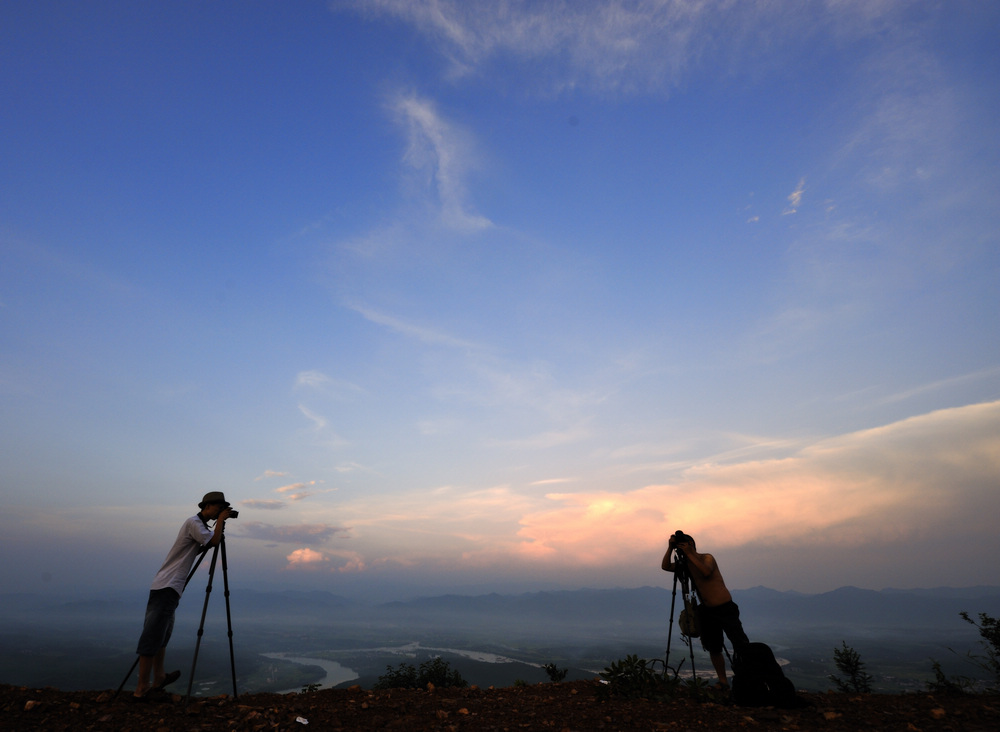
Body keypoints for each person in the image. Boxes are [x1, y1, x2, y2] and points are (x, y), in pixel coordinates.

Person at [132, 491, 233, 700]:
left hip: (170, 588)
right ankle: (142, 688)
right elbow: (213, 543)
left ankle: (158, 677)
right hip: (167, 587)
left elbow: (207, 543)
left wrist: (219, 524)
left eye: (222, 509)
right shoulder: (194, 523)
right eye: (218, 508)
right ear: (207, 506)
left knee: (162, 635)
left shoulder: (199, 526)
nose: (219, 512)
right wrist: (222, 522)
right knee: (153, 636)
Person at [661, 532, 749, 689]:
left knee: (739, 644)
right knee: (714, 647)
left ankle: (750, 678)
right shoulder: (686, 565)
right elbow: (666, 566)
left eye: (684, 545)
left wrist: (690, 553)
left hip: (725, 607)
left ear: (692, 545)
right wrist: (670, 548)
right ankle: (723, 682)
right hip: (707, 610)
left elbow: (706, 572)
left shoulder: (707, 557)